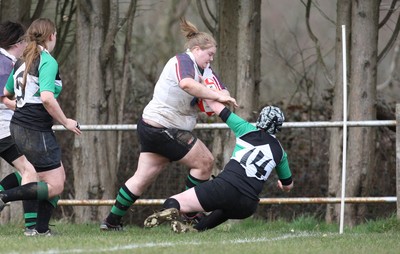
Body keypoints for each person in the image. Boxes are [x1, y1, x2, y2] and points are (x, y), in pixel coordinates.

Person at [100, 17, 238, 231]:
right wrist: (213, 96)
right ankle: (189, 212)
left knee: (141, 178)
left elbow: (222, 91)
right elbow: (187, 84)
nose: (211, 60)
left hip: (152, 127)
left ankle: (111, 222)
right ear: (197, 49)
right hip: (162, 128)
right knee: (205, 162)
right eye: (209, 55)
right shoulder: (184, 61)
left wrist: (220, 96)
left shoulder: (205, 70)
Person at [144, 101, 293, 232]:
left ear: (260, 119)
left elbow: (217, 107)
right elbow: (288, 185)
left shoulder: (246, 129)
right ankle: (196, 230)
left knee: (173, 201)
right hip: (248, 205)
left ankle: (171, 209)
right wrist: (282, 184)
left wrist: (206, 93)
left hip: (226, 188)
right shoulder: (280, 152)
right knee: (226, 209)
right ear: (279, 126)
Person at [0, 18, 81, 236]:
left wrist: (24, 105)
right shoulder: (46, 60)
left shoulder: (21, 62)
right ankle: (4, 197)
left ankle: (42, 229)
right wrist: (66, 122)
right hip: (34, 130)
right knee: (55, 186)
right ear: (51, 36)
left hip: (19, 127)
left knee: (57, 176)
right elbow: (47, 98)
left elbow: (7, 94)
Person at [0, 21, 40, 231]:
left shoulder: (7, 62)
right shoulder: (4, 64)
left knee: (31, 170)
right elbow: (2, 98)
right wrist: (29, 110)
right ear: (17, 42)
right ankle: (32, 228)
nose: (27, 44)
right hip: (3, 129)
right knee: (30, 169)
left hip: (6, 128)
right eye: (24, 40)